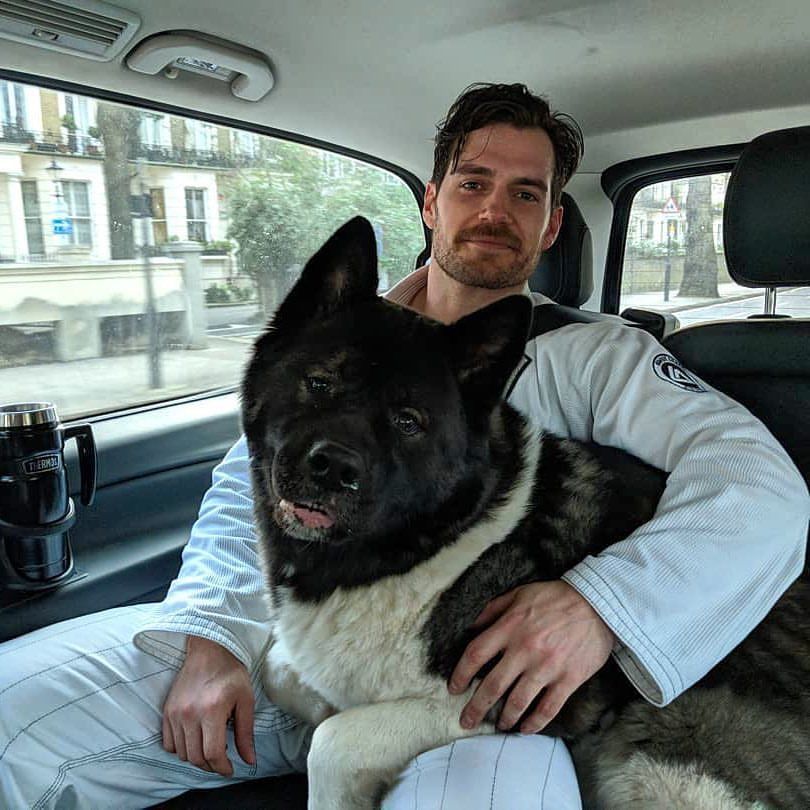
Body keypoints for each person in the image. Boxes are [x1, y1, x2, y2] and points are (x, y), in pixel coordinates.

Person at [1, 82, 807, 810]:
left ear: (552, 222)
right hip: (286, 653)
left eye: (526, 194)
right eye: (474, 183)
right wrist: (213, 636)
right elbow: (241, 493)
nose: (496, 210)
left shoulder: (604, 357)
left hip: (471, 698)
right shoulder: (336, 335)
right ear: (431, 202)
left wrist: (603, 607)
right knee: (17, 715)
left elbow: (757, 484)